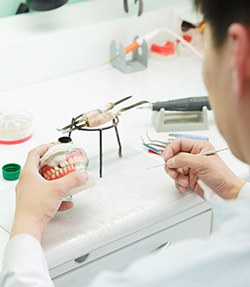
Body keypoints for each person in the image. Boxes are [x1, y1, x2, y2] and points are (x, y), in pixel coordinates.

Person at [1, 0, 250, 286]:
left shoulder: (182, 274)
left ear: (238, 57)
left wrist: (26, 222)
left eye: (203, 33)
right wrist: (232, 190)